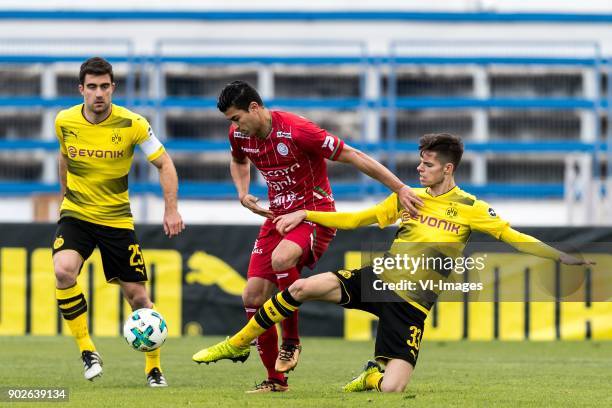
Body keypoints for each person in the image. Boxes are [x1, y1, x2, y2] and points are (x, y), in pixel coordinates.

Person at [192, 133, 593, 393]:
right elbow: (355, 219)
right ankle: (238, 341)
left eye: (428, 163)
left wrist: (559, 255)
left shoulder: (471, 208)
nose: (419, 169)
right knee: (300, 288)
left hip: (412, 304)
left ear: (448, 168)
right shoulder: (407, 198)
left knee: (392, 391)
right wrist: (306, 215)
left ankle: (375, 373)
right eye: (419, 162)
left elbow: (514, 237)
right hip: (378, 279)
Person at [192, 80, 422, 393]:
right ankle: (276, 381)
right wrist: (243, 192)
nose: (236, 127)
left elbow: (353, 155)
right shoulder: (239, 136)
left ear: (255, 108)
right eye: (231, 122)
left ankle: (291, 341)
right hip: (277, 218)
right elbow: (238, 161)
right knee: (252, 297)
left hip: (314, 213)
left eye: (237, 118)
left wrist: (401, 188)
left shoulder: (298, 131)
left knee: (282, 258)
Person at [52, 57, 185, 387]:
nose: (99, 93)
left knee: (138, 298)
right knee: (62, 270)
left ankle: (153, 367)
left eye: (105, 86)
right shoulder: (64, 121)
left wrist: (171, 210)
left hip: (116, 220)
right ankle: (88, 351)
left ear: (113, 88)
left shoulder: (134, 123)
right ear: (81, 89)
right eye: (92, 87)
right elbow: (64, 157)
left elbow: (165, 164)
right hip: (77, 214)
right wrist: (63, 198)